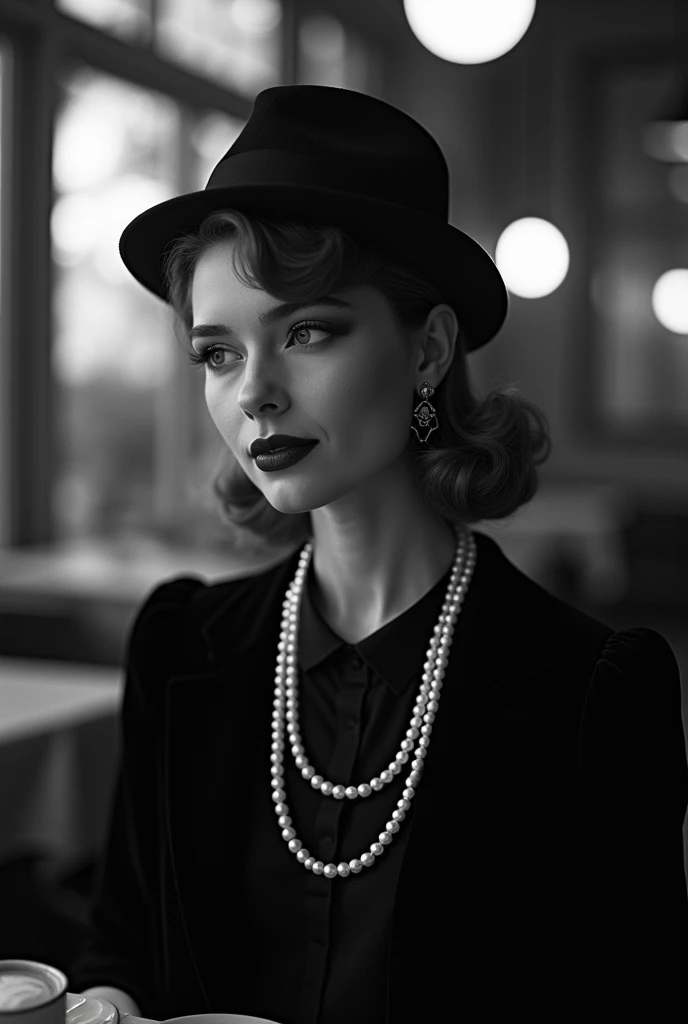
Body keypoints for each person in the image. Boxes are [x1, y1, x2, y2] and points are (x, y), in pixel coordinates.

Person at [69, 85, 688, 1023]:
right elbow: (122, 947)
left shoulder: (596, 690)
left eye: (307, 331)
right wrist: (107, 1003)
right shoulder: (177, 644)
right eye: (218, 353)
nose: (256, 395)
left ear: (429, 348)